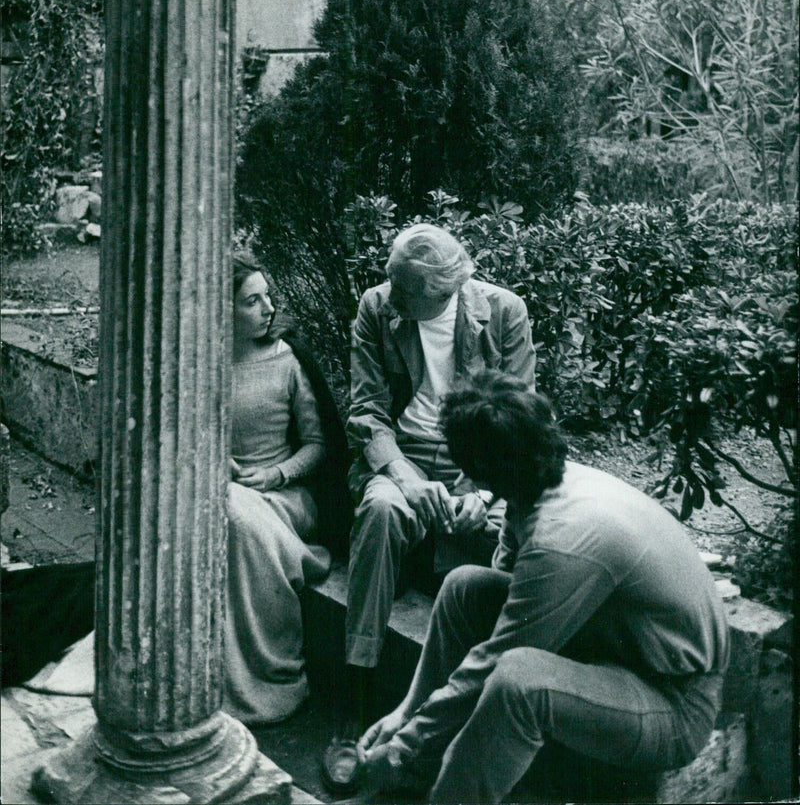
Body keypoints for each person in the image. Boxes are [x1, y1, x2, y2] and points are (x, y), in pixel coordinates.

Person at [356, 370, 730, 803]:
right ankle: (417, 767)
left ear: (480, 471)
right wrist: (406, 713)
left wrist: (401, 749)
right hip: (617, 653)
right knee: (465, 586)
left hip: (676, 705)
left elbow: (492, 662)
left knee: (519, 680)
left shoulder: (564, 536)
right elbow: (504, 597)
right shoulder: (537, 481)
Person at [322, 224, 537, 793]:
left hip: (479, 462)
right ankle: (356, 696)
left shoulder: (503, 313)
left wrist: (482, 490)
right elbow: (366, 410)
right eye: (390, 278)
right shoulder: (377, 308)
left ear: (444, 288)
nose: (389, 293)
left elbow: (516, 420)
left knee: (513, 538)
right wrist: (403, 475)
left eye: (403, 286)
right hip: (404, 457)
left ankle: (472, 718)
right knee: (382, 511)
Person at [225, 251, 351, 724]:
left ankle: (270, 669)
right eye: (251, 301)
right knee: (225, 514)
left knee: (235, 517)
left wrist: (275, 475)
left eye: (268, 296)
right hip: (226, 492)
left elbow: (320, 445)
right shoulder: (201, 363)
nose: (268, 308)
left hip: (286, 497)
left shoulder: (288, 359)